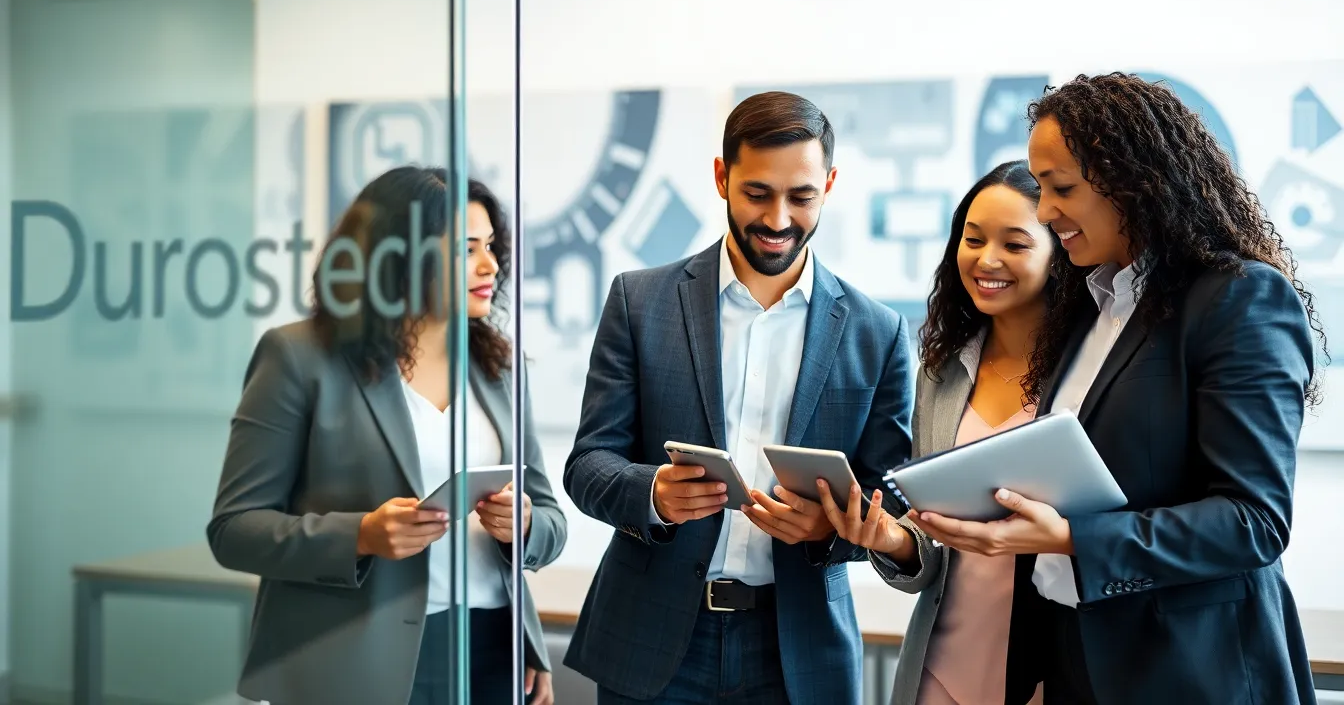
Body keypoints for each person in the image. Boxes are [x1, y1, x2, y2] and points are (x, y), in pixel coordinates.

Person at [900, 73, 1324, 704]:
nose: (1047, 212)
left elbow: (1253, 521)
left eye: (1061, 188)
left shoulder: (1238, 298)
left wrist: (1071, 537)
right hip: (1076, 666)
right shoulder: (1089, 307)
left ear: (1132, 180)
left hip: (1192, 673)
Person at [562, 91, 914, 704]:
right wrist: (654, 495)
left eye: (801, 197)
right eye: (757, 193)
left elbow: (893, 497)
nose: (778, 219)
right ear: (722, 178)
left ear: (829, 186)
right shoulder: (638, 303)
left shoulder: (876, 332)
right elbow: (587, 465)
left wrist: (828, 530)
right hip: (651, 638)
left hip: (798, 651)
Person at [208, 168, 566, 705]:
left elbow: (550, 517)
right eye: (466, 249)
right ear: (397, 259)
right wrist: (361, 536)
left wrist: (527, 525)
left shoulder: (500, 370)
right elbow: (234, 529)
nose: (490, 265)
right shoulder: (299, 357)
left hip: (492, 650)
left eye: (491, 246)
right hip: (354, 657)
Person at [820, 161, 1060, 705]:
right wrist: (891, 539)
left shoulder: (1088, 369)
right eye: (973, 240)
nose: (987, 259)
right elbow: (930, 535)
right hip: (943, 664)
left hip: (1050, 664)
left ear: (1058, 254)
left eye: (1014, 244)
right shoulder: (941, 371)